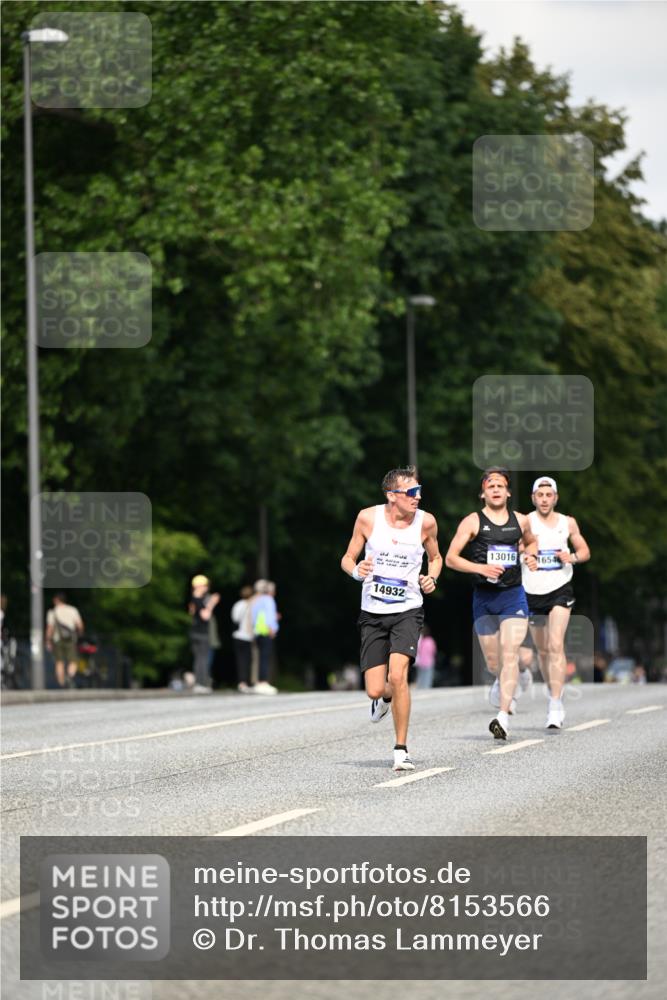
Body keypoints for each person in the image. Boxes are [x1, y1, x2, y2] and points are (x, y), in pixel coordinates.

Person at [341, 465, 442, 770]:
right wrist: (356, 571)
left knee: (398, 676)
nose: (418, 496)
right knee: (376, 689)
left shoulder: (426, 522)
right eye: (411, 492)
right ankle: (383, 700)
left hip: (408, 610)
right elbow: (347, 558)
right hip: (373, 611)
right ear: (391, 495)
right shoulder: (367, 518)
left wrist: (432, 578)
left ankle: (401, 750)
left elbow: (436, 558)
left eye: (419, 490)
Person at [445, 467, 538, 741]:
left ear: (508, 492)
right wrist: (481, 568)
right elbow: (451, 558)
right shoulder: (472, 522)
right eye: (490, 486)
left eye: (500, 486)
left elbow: (532, 543)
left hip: (513, 596)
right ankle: (520, 672)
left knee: (509, 653)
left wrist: (531, 556)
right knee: (494, 662)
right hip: (483, 598)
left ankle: (503, 716)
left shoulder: (521, 520)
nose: (495, 489)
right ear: (482, 493)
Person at [522, 476, 591, 728]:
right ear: (533, 498)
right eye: (540, 495)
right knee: (542, 651)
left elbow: (584, 551)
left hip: (560, 589)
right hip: (532, 591)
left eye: (548, 495)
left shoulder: (567, 522)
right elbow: (514, 548)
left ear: (555, 498)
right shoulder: (525, 522)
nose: (544, 499)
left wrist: (571, 557)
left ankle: (555, 704)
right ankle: (554, 693)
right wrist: (526, 556)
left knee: (555, 644)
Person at [188, 575, 220, 693]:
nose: (206, 588)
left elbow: (191, 613)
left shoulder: (193, 599)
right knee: (203, 659)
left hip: (194, 632)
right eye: (205, 585)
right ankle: (201, 684)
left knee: (198, 659)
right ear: (199, 586)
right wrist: (212, 603)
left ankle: (199, 683)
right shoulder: (198, 600)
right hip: (202, 633)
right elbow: (205, 616)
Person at [45, 592, 84, 688]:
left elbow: (50, 628)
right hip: (71, 639)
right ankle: (70, 676)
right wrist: (79, 635)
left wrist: (48, 641)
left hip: (57, 639)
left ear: (56, 600)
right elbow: (80, 625)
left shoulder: (53, 612)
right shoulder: (73, 610)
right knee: (73, 660)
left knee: (59, 662)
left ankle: (62, 685)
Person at [251, 579, 279, 694]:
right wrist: (272, 629)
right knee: (265, 658)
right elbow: (270, 616)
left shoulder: (257, 600)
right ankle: (263, 682)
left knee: (261, 657)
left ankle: (259, 682)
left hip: (258, 632)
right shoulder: (268, 600)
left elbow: (254, 617)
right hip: (266, 631)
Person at [231, 585, 254, 693]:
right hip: (248, 636)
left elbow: (235, 619)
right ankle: (245, 682)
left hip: (237, 635)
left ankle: (241, 682)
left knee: (240, 660)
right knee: (247, 660)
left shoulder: (237, 605)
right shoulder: (252, 605)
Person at [415, 626, 437, 690]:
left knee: (420, 676)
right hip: (429, 662)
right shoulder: (430, 640)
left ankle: (420, 688)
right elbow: (433, 651)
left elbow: (417, 650)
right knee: (428, 676)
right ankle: (426, 688)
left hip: (420, 662)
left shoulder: (420, 641)